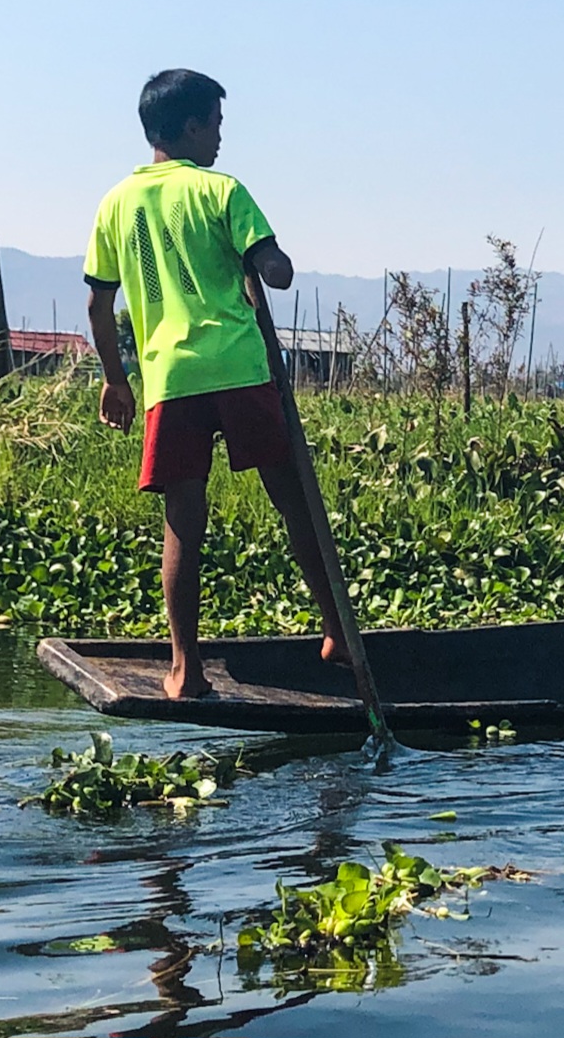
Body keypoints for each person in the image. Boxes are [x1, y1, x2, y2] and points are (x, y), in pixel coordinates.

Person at [83, 69, 347, 699]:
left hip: (170, 379)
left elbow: (99, 305)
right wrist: (266, 260)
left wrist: (116, 382)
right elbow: (273, 270)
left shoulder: (116, 202)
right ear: (194, 125)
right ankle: (337, 630)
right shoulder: (222, 190)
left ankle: (185, 670)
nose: (222, 138)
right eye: (218, 124)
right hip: (237, 366)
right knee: (294, 500)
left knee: (183, 520)